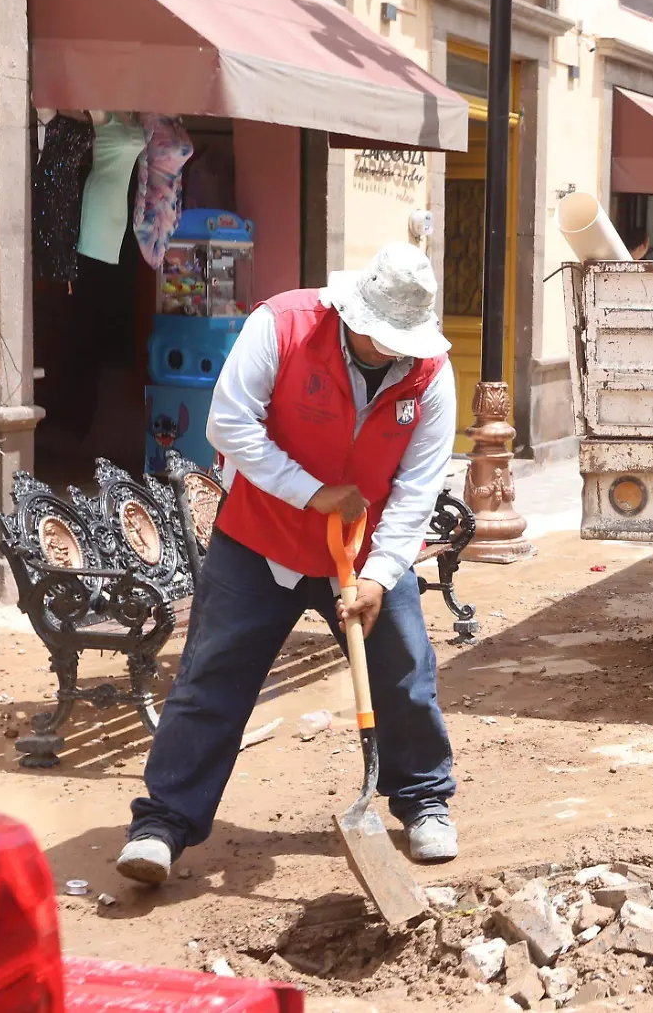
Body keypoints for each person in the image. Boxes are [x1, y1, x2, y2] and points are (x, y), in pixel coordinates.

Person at [117, 244, 461, 883]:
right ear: (351, 311)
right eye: (381, 336)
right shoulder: (282, 326)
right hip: (258, 542)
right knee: (210, 681)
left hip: (364, 549)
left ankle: (424, 803)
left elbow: (418, 485)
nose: (391, 350)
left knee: (406, 673)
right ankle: (162, 823)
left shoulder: (431, 373)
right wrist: (312, 491)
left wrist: (382, 576)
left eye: (402, 341)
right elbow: (228, 425)